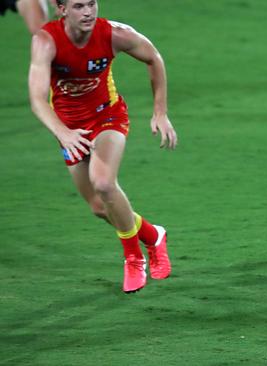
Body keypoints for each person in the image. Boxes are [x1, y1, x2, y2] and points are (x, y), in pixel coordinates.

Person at [28, 0, 177, 293]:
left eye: (92, 3)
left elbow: (153, 57)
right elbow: (36, 99)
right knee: (98, 207)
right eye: (79, 6)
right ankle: (153, 235)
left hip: (107, 116)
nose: (88, 12)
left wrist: (160, 111)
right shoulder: (46, 41)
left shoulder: (113, 34)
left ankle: (133, 259)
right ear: (61, 10)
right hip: (68, 129)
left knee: (104, 183)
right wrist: (63, 132)